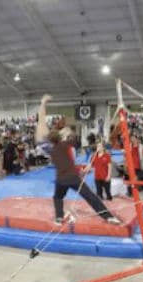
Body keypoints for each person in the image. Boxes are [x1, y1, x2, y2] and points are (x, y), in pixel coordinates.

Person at [35, 94, 121, 226]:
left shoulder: (50, 149)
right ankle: (108, 216)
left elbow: (41, 122)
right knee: (90, 197)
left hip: (61, 179)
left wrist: (43, 104)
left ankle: (58, 217)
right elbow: (72, 137)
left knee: (57, 197)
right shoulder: (66, 144)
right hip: (72, 177)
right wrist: (67, 131)